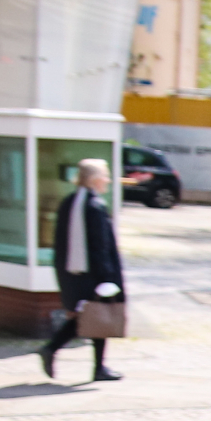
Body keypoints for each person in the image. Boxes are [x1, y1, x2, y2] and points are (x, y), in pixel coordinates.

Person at [41, 158, 125, 381]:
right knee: (98, 317)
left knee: (89, 318)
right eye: (105, 176)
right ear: (96, 179)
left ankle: (59, 352)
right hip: (93, 273)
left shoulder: (69, 202)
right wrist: (108, 278)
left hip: (72, 272)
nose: (107, 180)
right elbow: (101, 246)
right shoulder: (95, 206)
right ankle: (58, 351)